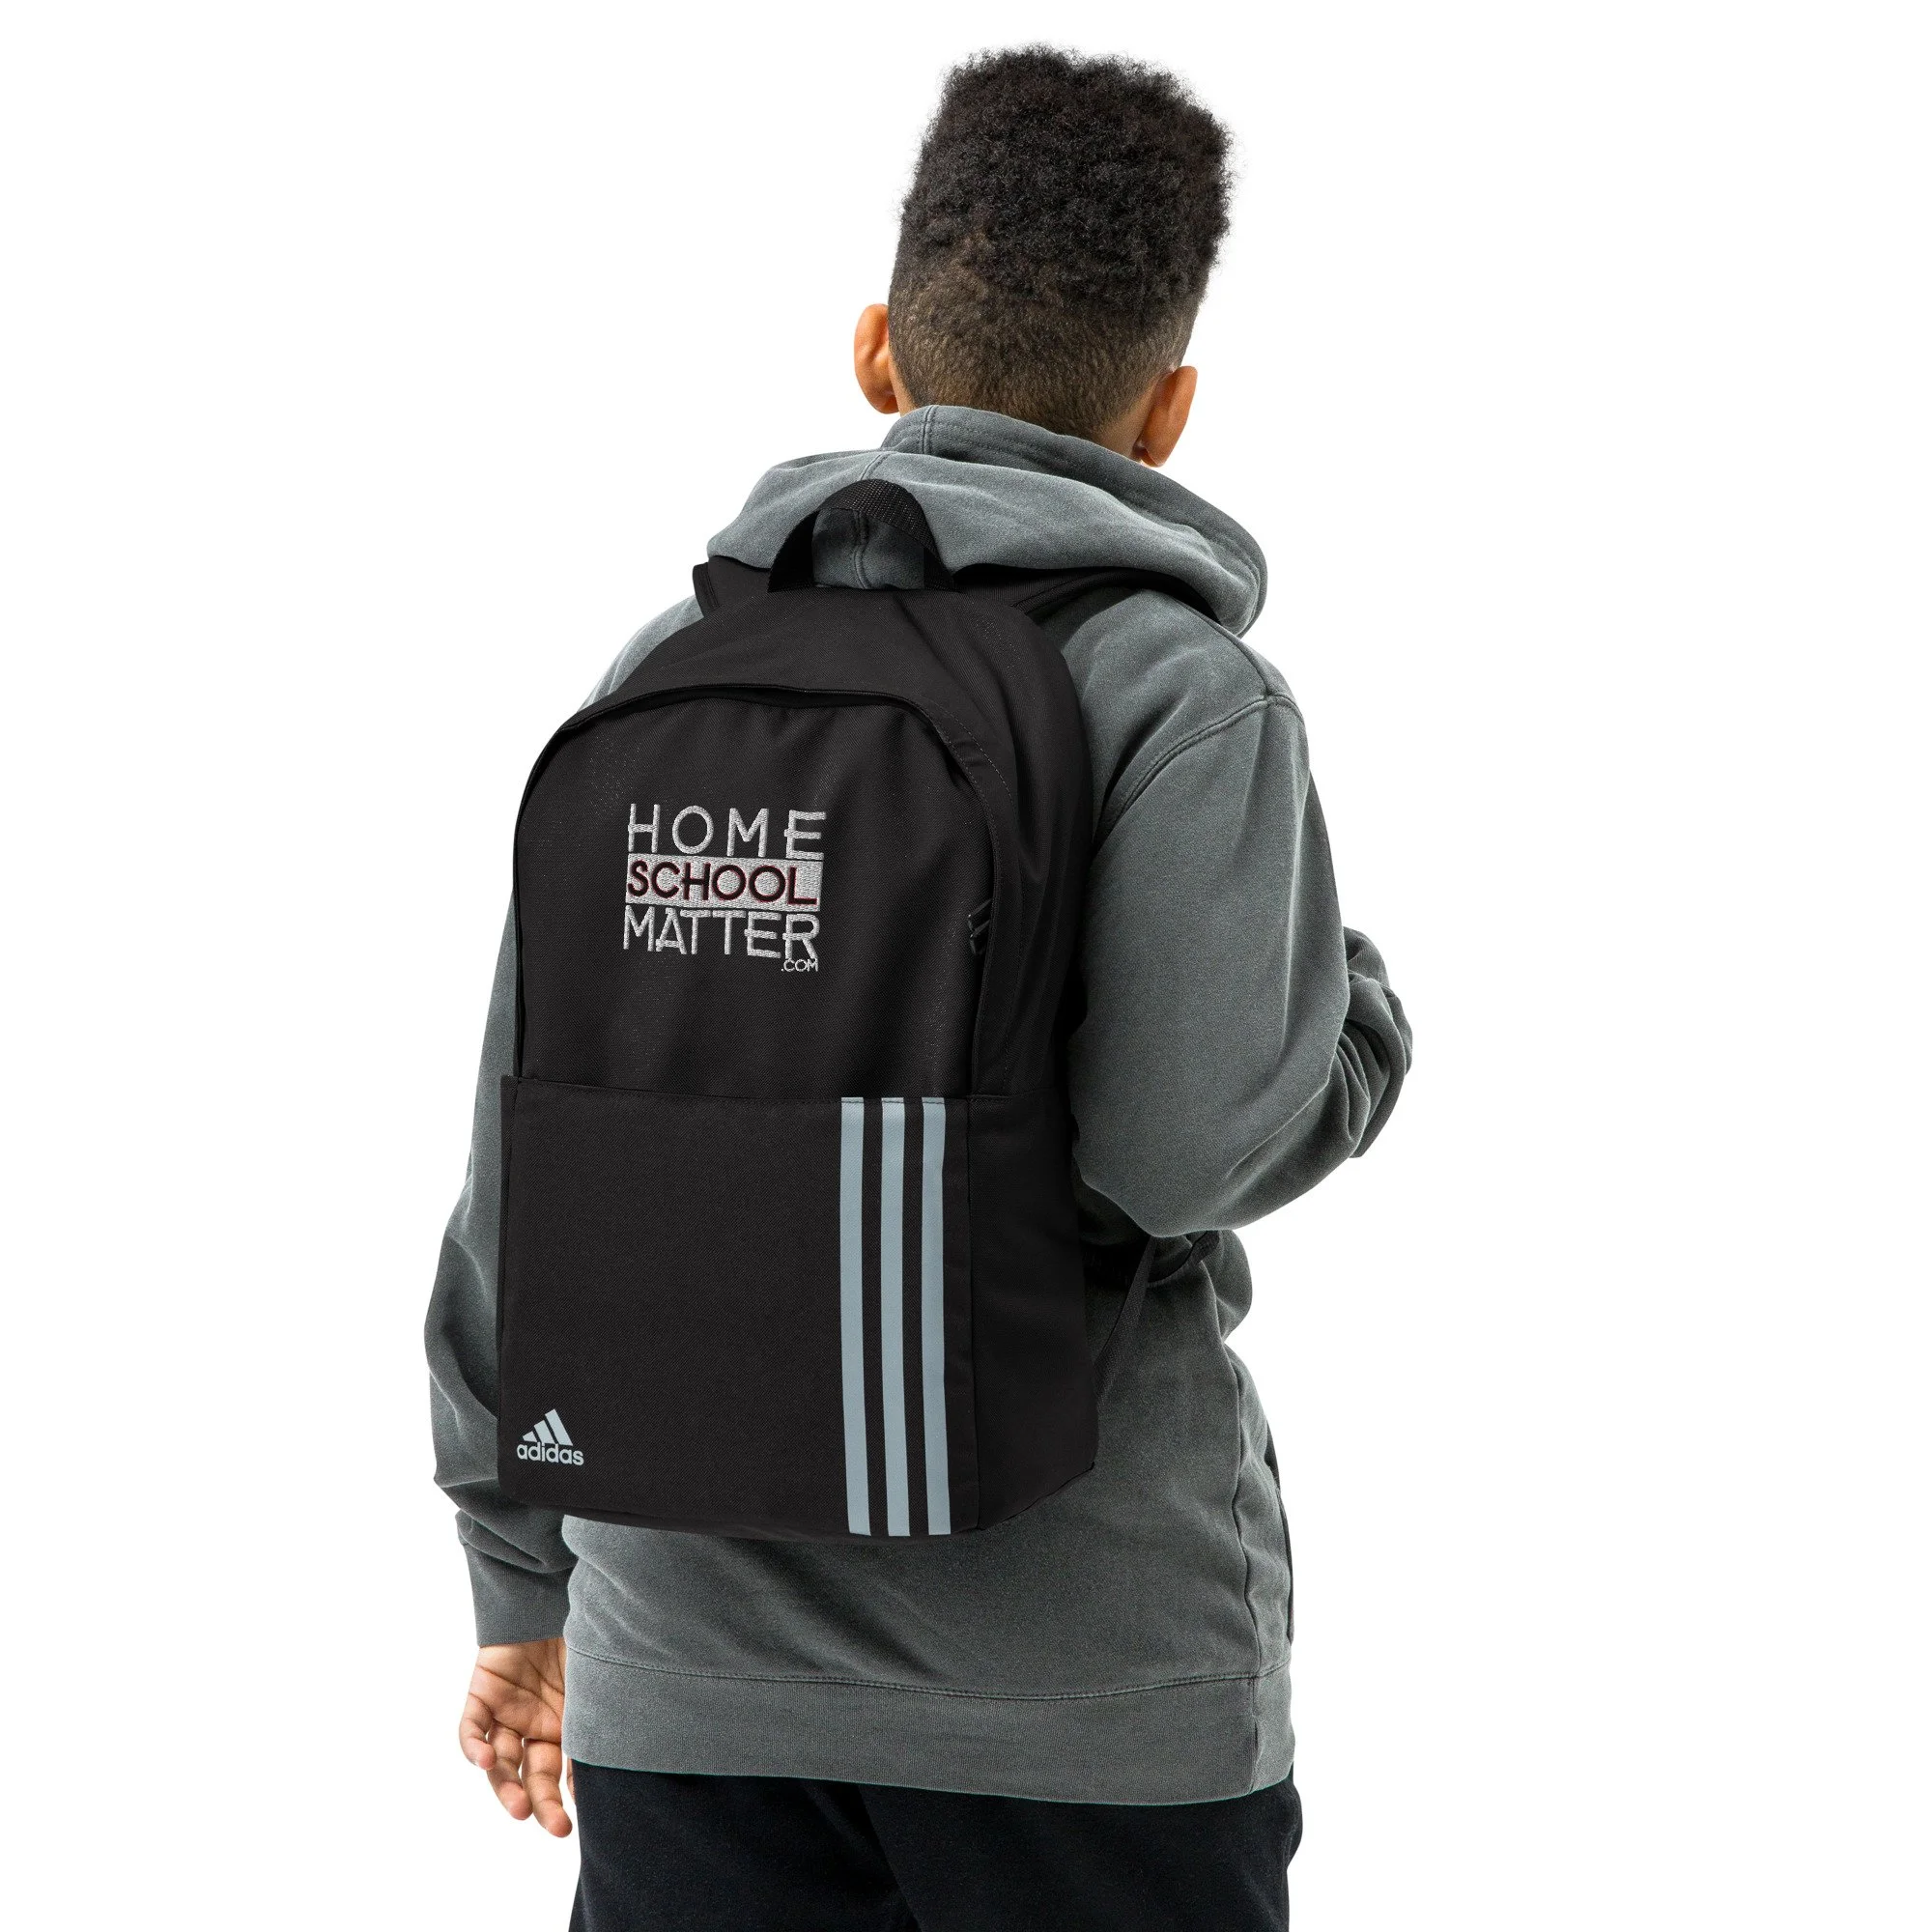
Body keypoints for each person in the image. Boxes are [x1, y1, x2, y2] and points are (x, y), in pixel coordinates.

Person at [427, 45, 1410, 1931]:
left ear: (877, 353)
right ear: (1168, 411)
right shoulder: (1179, 694)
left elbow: (523, 1161)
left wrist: (519, 1577)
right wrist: (1356, 1023)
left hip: (682, 1681)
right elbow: (1186, 1148)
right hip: (1086, 1705)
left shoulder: (671, 669)